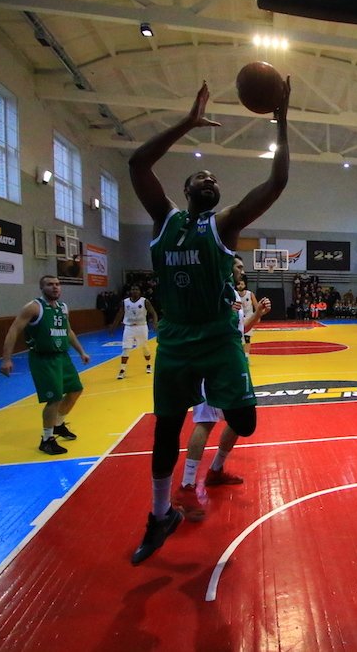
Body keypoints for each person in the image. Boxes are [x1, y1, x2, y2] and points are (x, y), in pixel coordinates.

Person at [127, 77, 290, 565]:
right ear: (185, 190)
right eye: (202, 176)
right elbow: (137, 164)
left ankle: (217, 404)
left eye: (215, 179)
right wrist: (187, 123)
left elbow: (276, 182)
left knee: (246, 422)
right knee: (165, 430)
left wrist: (282, 121)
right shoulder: (164, 219)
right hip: (176, 342)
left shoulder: (224, 224)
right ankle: (160, 516)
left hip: (220, 340)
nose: (210, 180)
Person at [172, 257, 273, 521]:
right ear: (225, 267)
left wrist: (257, 315)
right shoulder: (210, 291)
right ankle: (186, 486)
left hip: (231, 365)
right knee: (205, 420)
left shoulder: (233, 294)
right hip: (211, 363)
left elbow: (239, 330)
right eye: (238, 266)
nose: (242, 271)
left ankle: (215, 470)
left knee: (240, 419)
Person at [0, 275, 91, 455]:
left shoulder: (63, 307)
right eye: (50, 284)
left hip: (62, 357)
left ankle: (58, 424)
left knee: (75, 390)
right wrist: (6, 359)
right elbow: (14, 329)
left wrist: (81, 351)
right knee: (54, 398)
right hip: (43, 359)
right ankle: (46, 440)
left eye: (57, 284)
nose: (55, 287)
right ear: (42, 288)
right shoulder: (34, 307)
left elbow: (68, 331)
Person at [110, 285, 159, 379]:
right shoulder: (125, 302)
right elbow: (119, 314)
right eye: (133, 289)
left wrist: (155, 323)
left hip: (141, 327)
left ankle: (148, 364)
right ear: (130, 291)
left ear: (140, 291)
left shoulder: (145, 301)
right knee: (126, 349)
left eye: (137, 289)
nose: (135, 291)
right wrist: (113, 326)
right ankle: (122, 370)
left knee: (144, 347)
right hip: (129, 327)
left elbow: (153, 313)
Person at [236, 277, 259, 358]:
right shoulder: (235, 294)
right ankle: (240, 354)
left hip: (249, 317)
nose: (240, 286)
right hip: (239, 318)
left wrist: (258, 316)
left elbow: (256, 306)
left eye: (242, 284)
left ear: (245, 285)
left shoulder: (250, 294)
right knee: (239, 338)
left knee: (247, 337)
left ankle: (246, 355)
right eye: (238, 284)